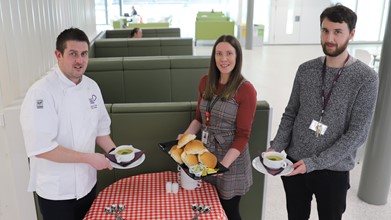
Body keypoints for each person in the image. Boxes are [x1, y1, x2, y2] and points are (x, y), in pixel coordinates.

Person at [269, 4, 379, 220]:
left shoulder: (366, 78)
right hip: (294, 163)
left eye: (338, 32)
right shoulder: (306, 69)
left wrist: (315, 163)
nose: (330, 38)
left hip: (333, 171)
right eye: (325, 30)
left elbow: (357, 134)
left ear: (352, 34)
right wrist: (274, 148)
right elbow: (291, 113)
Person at [20, 28, 118, 220]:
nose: (79, 60)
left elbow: (100, 131)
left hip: (88, 184)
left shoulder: (92, 86)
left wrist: (117, 155)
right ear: (58, 55)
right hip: (56, 191)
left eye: (83, 54)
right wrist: (89, 158)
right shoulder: (41, 92)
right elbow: (42, 148)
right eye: (73, 54)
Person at [179, 35, 257, 220]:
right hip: (206, 157)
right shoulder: (205, 82)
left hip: (230, 163)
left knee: (228, 211)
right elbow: (199, 119)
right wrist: (184, 138)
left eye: (229, 53)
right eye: (219, 53)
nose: (224, 59)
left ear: (237, 57)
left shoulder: (246, 90)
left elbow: (243, 136)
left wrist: (221, 166)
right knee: (207, 210)